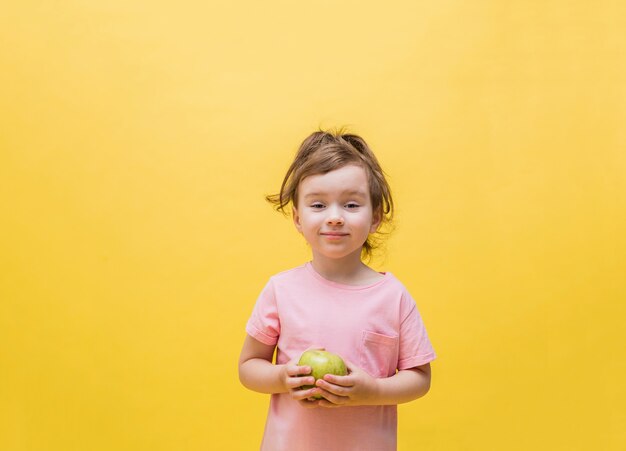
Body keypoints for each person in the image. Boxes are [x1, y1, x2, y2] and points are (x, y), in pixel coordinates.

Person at [238, 129, 436, 451]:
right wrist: (282, 378)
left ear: (375, 217)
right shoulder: (281, 290)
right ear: (298, 219)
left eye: (351, 205)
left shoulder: (393, 296)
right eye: (318, 205)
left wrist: (372, 391)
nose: (334, 218)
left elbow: (419, 377)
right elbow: (248, 367)